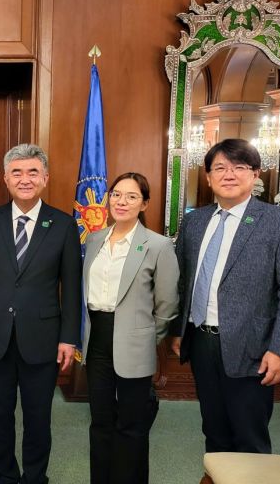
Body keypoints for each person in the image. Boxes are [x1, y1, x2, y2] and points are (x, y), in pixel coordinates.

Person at [170, 138, 280, 455]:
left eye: (239, 167)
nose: (228, 174)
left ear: (256, 174)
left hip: (253, 348)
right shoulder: (194, 221)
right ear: (208, 177)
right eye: (219, 167)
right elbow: (183, 281)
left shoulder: (279, 221)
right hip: (202, 342)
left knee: (249, 438)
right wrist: (180, 330)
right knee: (213, 431)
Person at [0, 143, 81, 484]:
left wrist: (69, 338)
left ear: (45, 178)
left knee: (37, 415)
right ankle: (5, 474)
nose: (24, 179)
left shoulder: (62, 225)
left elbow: (71, 287)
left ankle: (34, 476)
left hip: (43, 338)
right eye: (17, 172)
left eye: (32, 172)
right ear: (5, 178)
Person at [80, 172, 179, 484]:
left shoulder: (158, 246)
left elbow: (167, 305)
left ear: (144, 203)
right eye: (116, 194)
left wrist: (147, 336)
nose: (121, 202)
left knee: (132, 424)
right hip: (97, 338)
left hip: (135, 341)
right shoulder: (94, 239)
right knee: (100, 421)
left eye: (132, 196)